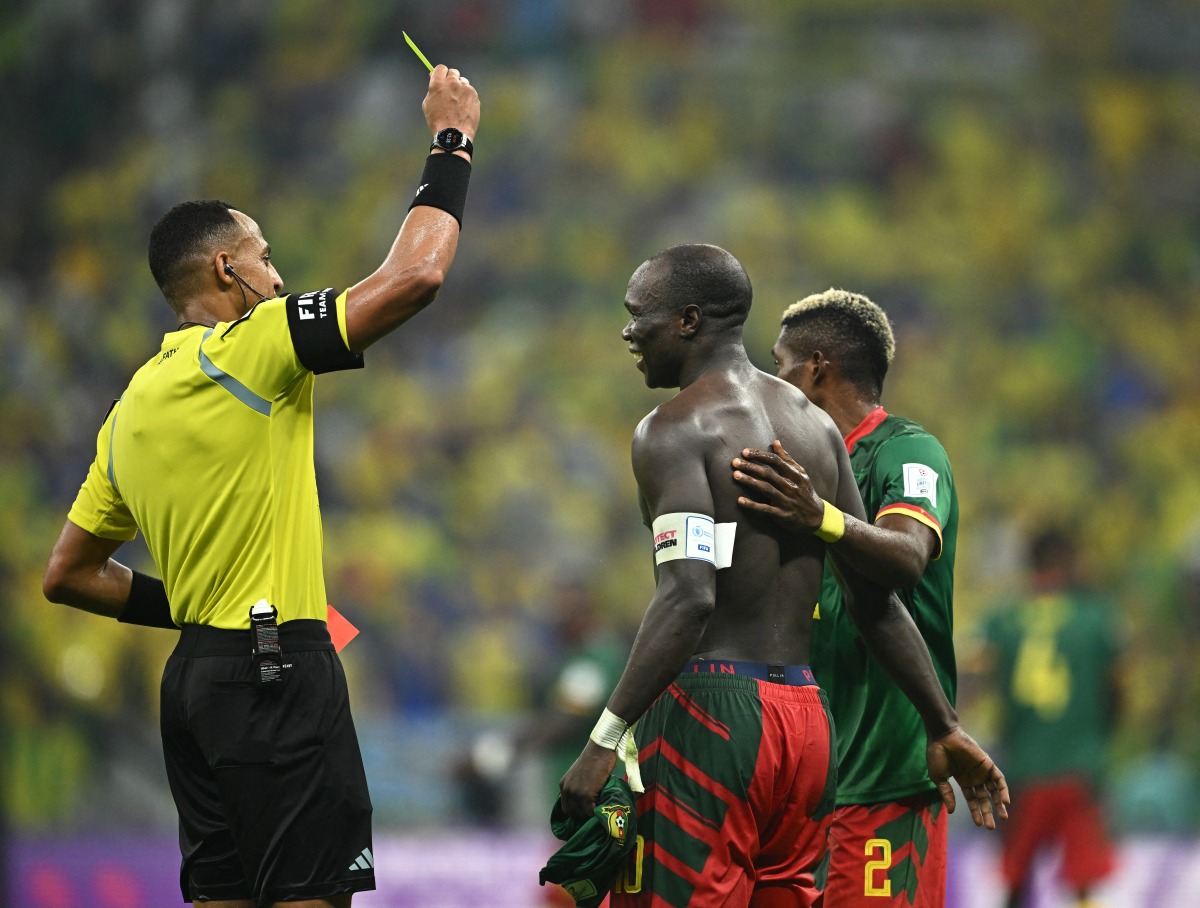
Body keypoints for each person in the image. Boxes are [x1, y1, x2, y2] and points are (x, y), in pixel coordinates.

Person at [41, 63, 480, 908]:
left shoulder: (128, 409)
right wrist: (451, 142)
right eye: (266, 259)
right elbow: (416, 277)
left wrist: (202, 602)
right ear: (225, 270)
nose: (279, 279)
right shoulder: (251, 346)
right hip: (278, 675)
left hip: (197, 682)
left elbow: (68, 574)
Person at [558, 248, 1007, 908]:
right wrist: (944, 724)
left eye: (638, 316)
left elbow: (688, 596)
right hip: (804, 722)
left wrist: (604, 739)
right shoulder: (817, 430)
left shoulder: (672, 430)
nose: (629, 332)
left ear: (686, 321)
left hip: (715, 712)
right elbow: (876, 605)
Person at [731, 288, 965, 907]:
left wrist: (820, 517)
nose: (771, 380)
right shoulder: (797, 467)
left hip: (885, 772)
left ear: (816, 367)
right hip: (802, 779)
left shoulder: (907, 451)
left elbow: (907, 557)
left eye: (779, 364)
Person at [981, 529, 1119, 908]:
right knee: (1084, 880)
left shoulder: (1005, 617)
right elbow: (1116, 688)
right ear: (1066, 561)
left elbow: (977, 674)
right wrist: (1099, 736)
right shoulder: (1094, 616)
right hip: (1080, 763)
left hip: (1023, 767)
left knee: (1015, 877)